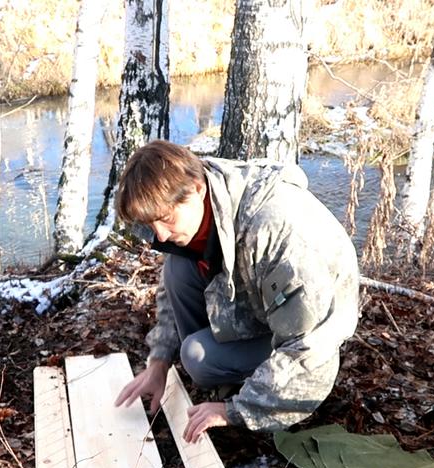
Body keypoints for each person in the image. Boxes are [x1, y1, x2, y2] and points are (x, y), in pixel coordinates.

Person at [113, 140, 359, 443]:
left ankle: (242, 385)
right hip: (267, 308)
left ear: (196, 188)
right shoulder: (201, 203)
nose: (159, 234)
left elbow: (309, 347)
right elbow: (171, 288)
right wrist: (159, 362)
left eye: (165, 219)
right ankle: (226, 376)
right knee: (177, 266)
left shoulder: (278, 233)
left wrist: (236, 411)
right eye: (151, 224)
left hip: (316, 337)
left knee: (198, 358)